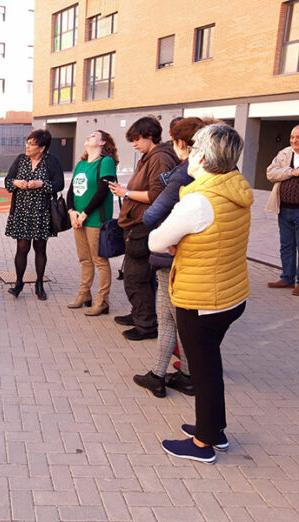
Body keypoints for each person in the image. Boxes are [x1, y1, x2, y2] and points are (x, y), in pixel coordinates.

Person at [150, 124, 253, 463]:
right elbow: (213, 236)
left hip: (203, 299)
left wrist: (176, 241)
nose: (189, 154)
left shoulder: (198, 200)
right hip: (230, 295)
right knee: (210, 366)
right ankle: (213, 430)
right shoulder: (235, 187)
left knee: (204, 371)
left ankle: (203, 443)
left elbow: (156, 240)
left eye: (194, 149)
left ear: (205, 157)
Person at [133, 117, 207, 398]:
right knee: (180, 318)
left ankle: (162, 376)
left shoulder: (184, 174)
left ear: (181, 143)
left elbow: (152, 215)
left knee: (171, 318)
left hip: (174, 254)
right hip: (201, 257)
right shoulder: (226, 173)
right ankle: (183, 374)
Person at [109, 116, 178, 340]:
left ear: (149, 136)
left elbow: (159, 195)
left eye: (137, 139)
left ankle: (146, 324)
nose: (134, 144)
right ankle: (140, 314)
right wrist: (126, 190)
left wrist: (127, 193)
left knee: (135, 277)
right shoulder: (150, 157)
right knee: (140, 276)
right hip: (140, 223)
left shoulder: (160, 158)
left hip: (143, 225)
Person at [4, 129, 65, 300]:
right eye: (27, 142)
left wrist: (41, 184)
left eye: (32, 144)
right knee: (22, 248)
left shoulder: (51, 161)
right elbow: (8, 181)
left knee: (40, 248)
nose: (27, 146)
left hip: (42, 212)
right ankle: (18, 283)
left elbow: (59, 184)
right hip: (21, 211)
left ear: (42, 147)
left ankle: (39, 284)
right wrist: (16, 183)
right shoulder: (21, 159)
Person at [65, 130, 118, 316]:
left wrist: (85, 213)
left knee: (99, 261)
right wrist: (71, 212)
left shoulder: (106, 162)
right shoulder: (81, 164)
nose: (89, 136)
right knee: (84, 259)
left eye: (94, 135)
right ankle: (84, 294)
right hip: (78, 219)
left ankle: (102, 301)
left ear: (103, 142)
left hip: (95, 220)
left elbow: (102, 191)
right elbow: (71, 191)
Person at [265, 124, 299, 295]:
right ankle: (287, 278)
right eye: (292, 137)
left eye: (298, 137)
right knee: (286, 245)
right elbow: (270, 173)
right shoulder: (284, 153)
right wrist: (291, 172)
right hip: (284, 209)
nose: (294, 141)